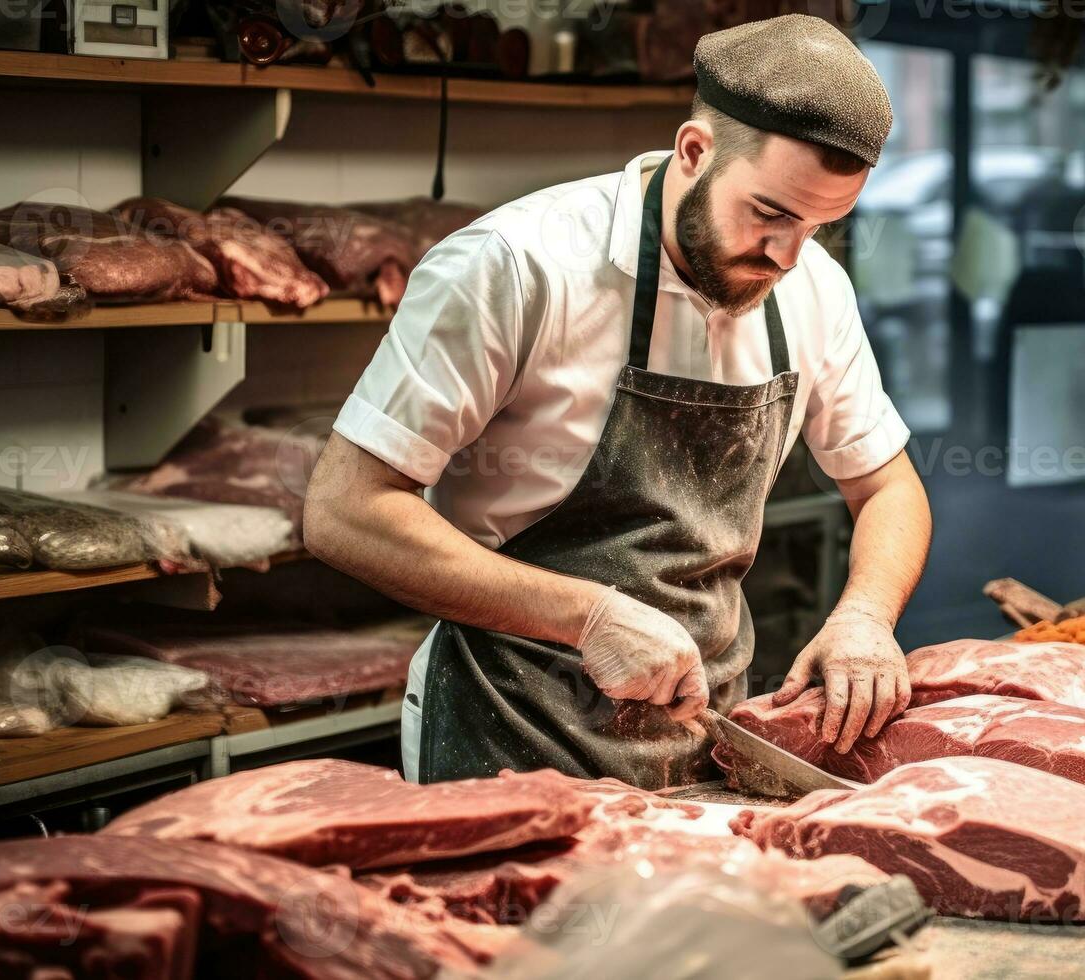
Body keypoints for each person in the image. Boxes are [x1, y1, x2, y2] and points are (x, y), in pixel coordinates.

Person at [304, 14, 931, 789]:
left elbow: (887, 486)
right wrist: (588, 616)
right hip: (510, 734)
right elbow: (344, 511)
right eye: (769, 213)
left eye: (820, 227)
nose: (786, 256)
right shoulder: (516, 267)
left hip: (705, 736)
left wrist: (864, 616)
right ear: (694, 153)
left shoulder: (811, 287)